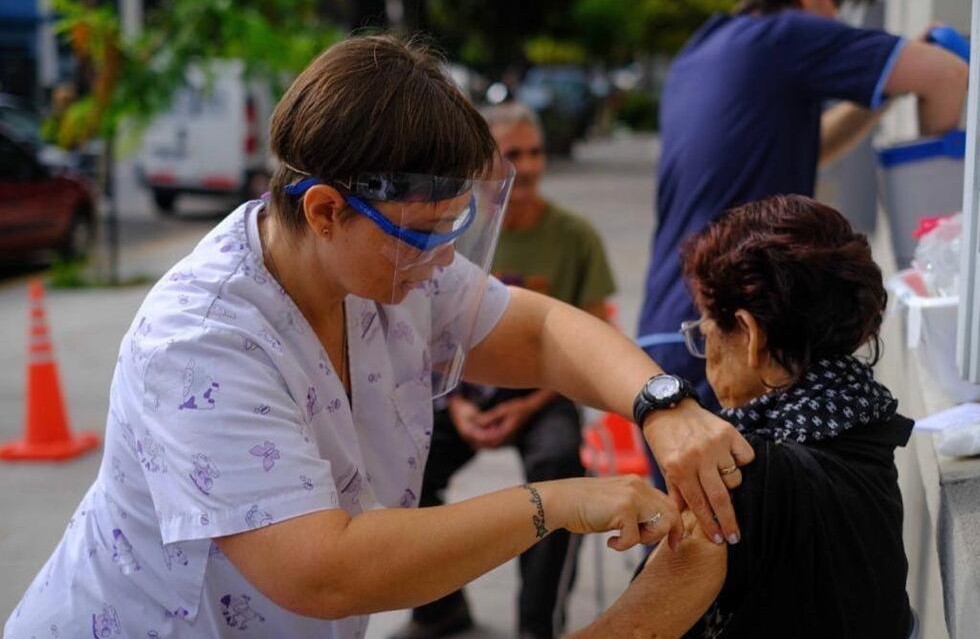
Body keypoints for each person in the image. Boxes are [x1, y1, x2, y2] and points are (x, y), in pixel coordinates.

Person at [6, 35, 753, 639]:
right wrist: (555, 503)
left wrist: (663, 404)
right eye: (423, 236)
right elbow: (322, 571)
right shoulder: (201, 343)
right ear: (326, 210)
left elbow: (544, 331)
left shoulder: (392, 269)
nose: (440, 262)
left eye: (456, 229)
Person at [573, 194, 914, 638]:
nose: (703, 351)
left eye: (704, 332)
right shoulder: (865, 420)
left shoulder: (734, 480)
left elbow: (632, 632)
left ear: (750, 335)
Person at [637, 0, 968, 408]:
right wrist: (943, 255)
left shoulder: (704, 49)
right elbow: (947, 73)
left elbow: (814, 149)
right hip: (730, 337)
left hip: (668, 336)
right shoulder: (788, 34)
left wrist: (885, 88)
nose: (839, 22)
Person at [395, 102, 616, 639]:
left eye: (536, 152)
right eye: (516, 154)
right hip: (462, 391)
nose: (531, 165)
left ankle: (538, 626)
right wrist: (458, 404)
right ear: (487, 163)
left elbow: (594, 335)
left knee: (562, 463)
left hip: (544, 391)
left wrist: (528, 403)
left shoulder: (575, 236)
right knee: (405, 460)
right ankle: (438, 608)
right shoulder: (453, 231)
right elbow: (424, 334)